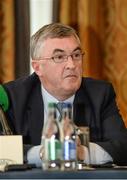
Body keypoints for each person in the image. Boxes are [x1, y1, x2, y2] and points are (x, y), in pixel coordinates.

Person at [2, 23, 127, 167]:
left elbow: (122, 147)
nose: (71, 65)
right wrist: (44, 153)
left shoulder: (100, 94)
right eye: (59, 57)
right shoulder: (12, 96)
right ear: (37, 67)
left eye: (76, 55)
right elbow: (2, 149)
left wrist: (82, 153)